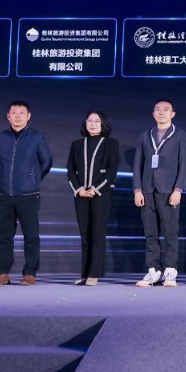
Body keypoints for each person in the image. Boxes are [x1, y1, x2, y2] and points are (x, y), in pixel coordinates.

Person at [0, 101, 53, 286]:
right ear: (8, 116)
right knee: (4, 236)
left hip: (28, 195)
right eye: (14, 112)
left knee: (31, 236)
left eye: (21, 113)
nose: (17, 116)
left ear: (28, 116)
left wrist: (32, 179)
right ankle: (2, 274)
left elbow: (46, 162)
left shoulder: (37, 137)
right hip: (3, 195)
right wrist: (6, 179)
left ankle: (30, 273)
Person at [133, 99, 186, 288]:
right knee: (150, 233)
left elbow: (185, 165)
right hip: (147, 189)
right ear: (153, 114)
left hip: (169, 190)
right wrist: (137, 190)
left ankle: (170, 270)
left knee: (169, 232)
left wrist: (178, 189)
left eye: (166, 110)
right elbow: (137, 164)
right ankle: (153, 271)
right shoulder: (145, 135)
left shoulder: (181, 135)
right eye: (157, 109)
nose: (161, 112)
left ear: (173, 114)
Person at [67, 110, 118, 287]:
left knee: (97, 233)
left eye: (97, 121)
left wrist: (96, 189)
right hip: (81, 195)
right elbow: (70, 169)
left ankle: (94, 274)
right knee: (85, 233)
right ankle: (85, 273)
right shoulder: (76, 144)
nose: (93, 124)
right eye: (90, 120)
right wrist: (79, 189)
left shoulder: (111, 144)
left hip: (101, 194)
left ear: (103, 124)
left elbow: (112, 170)